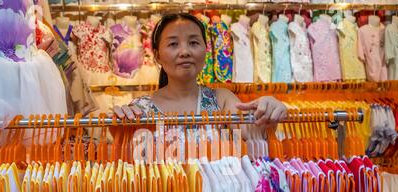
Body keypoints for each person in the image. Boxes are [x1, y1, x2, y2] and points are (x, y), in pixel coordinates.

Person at [111, 13, 287, 131]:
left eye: (194, 43)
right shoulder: (140, 110)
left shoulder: (221, 99)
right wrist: (119, 129)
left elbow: (252, 132)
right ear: (157, 56)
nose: (185, 52)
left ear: (206, 50)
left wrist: (269, 111)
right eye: (173, 44)